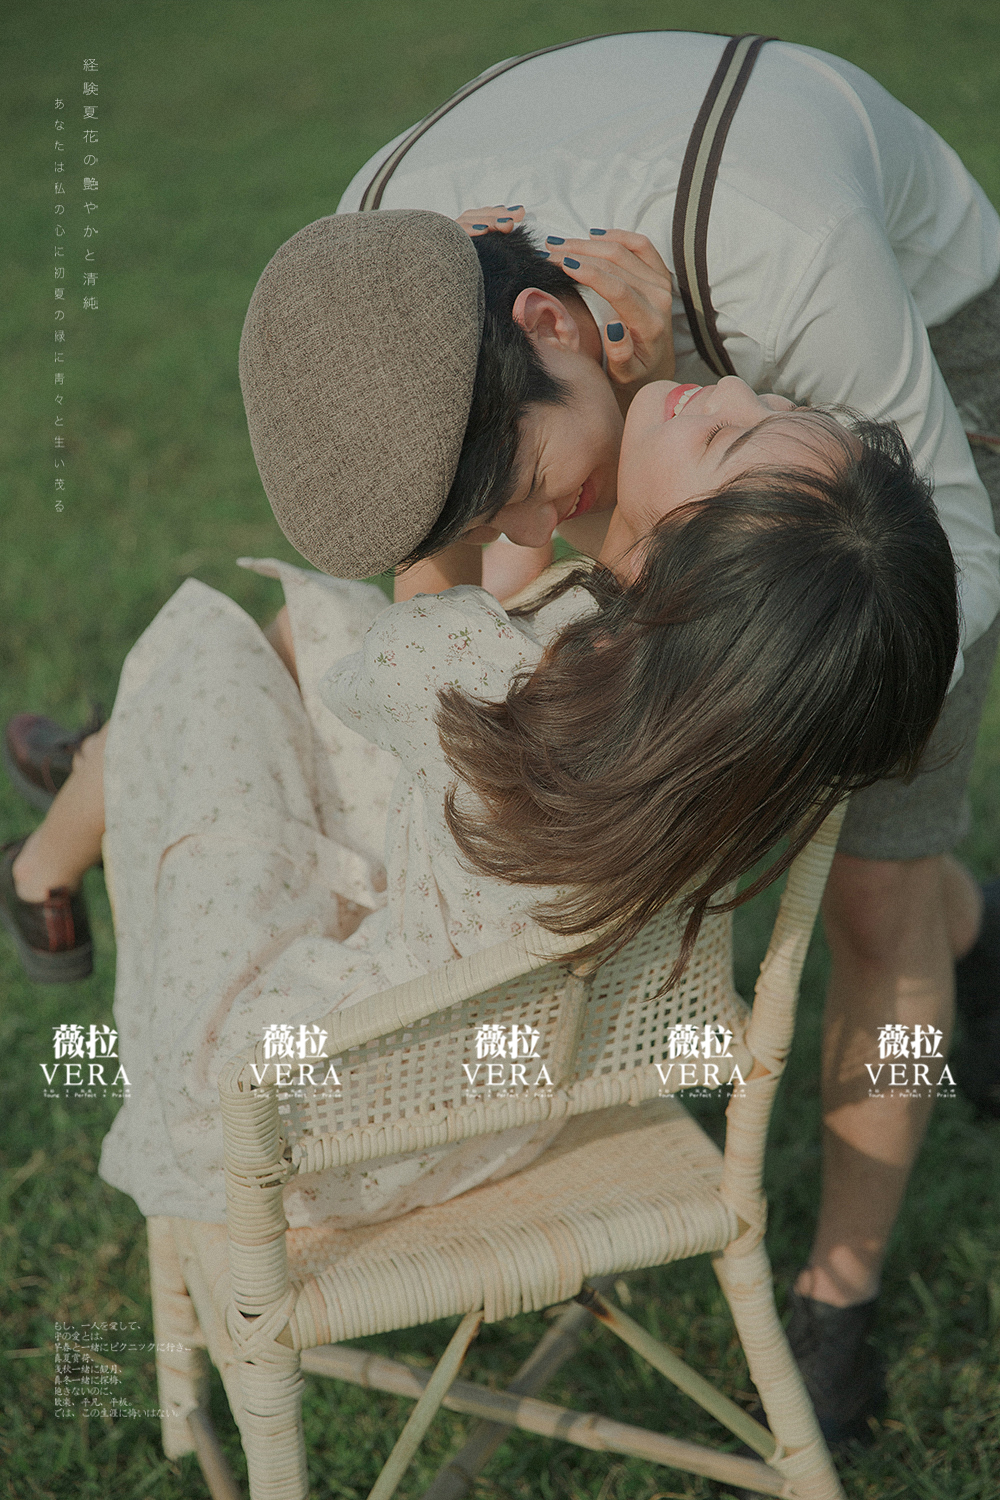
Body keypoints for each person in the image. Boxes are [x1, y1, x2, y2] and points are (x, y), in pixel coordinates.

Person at [232, 30, 1000, 1446]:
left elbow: (950, 571)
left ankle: (837, 1291)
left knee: (875, 890)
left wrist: (758, 693)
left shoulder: (791, 266)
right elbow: (478, 588)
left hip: (898, 454)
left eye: (530, 489)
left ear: (559, 324)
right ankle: (978, 935)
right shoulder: (380, 281)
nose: (528, 538)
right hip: (702, 423)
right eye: (489, 521)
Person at [1, 385, 957, 1265]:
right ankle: (93, 787)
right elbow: (503, 605)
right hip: (511, 1092)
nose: (733, 386)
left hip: (289, 1106)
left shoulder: (477, 676)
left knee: (209, 668)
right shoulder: (726, 752)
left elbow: (429, 593)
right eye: (770, 404)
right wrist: (622, 465)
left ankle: (51, 856)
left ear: (679, 576)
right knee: (318, 625)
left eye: (724, 435)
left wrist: (460, 428)